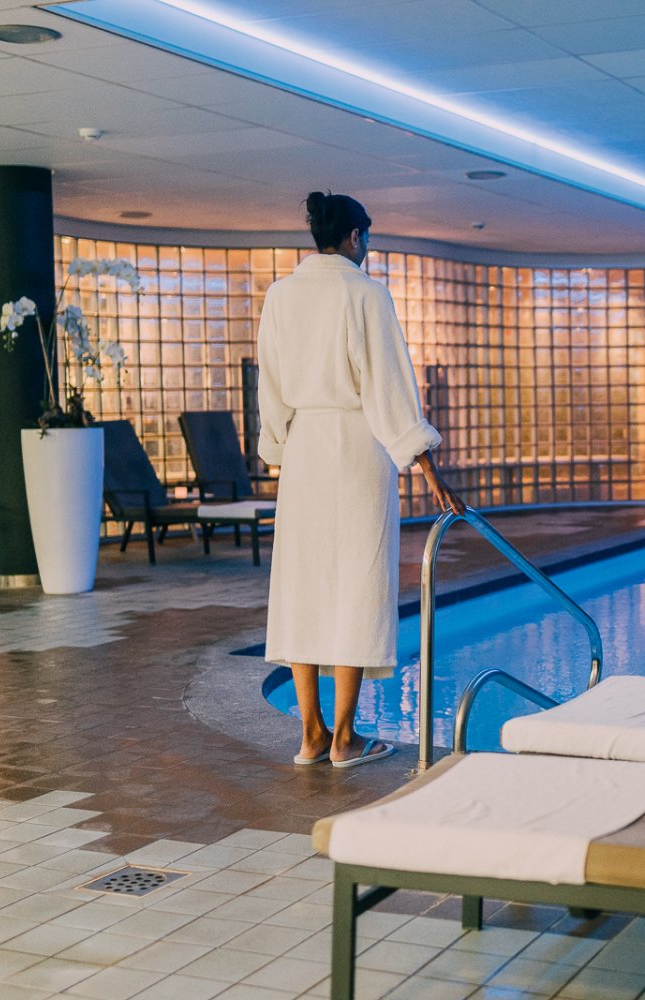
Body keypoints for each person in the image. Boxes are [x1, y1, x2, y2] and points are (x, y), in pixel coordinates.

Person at [257, 191, 462, 768]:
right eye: (366, 238)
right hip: (355, 448)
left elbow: (269, 384)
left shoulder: (280, 296)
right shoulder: (366, 294)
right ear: (354, 237)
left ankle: (311, 735)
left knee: (302, 585)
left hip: (304, 451)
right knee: (357, 581)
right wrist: (427, 465)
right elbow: (389, 387)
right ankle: (345, 738)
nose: (367, 248)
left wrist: (279, 448)